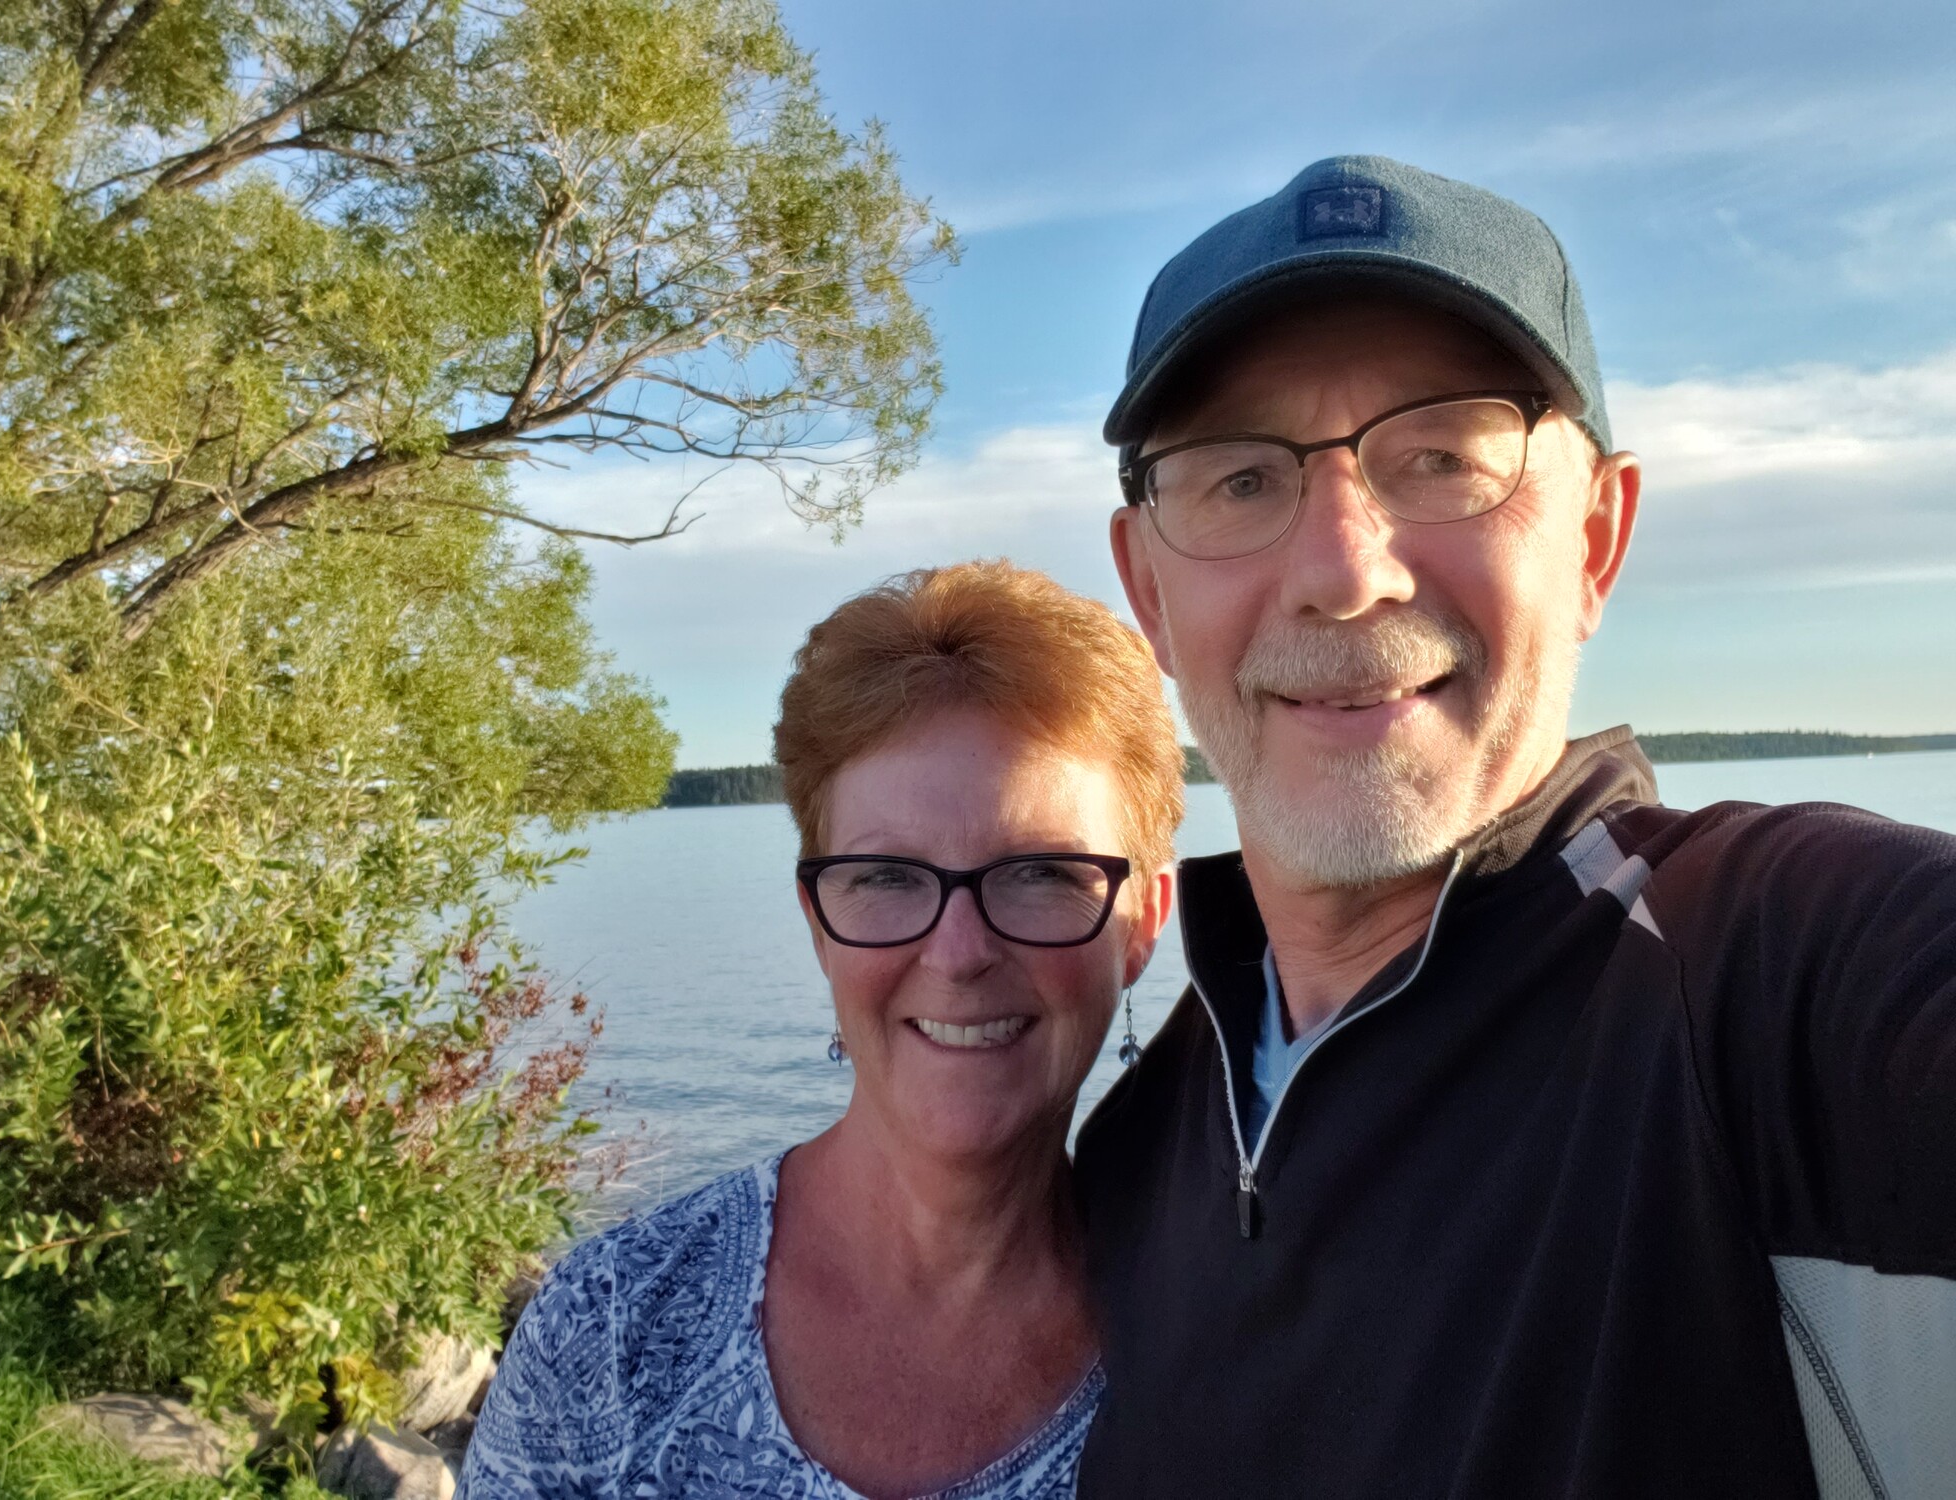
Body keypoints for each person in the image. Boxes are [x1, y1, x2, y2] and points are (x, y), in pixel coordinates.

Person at [1074, 155, 1956, 1498]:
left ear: (1596, 540)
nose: (1343, 571)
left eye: (1441, 456)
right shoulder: (1137, 1146)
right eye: (1241, 481)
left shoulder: (1769, 982)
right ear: (1147, 589)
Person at [461, 560, 1181, 1499]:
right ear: (816, 920)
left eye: (1040, 872)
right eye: (886, 878)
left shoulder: (1213, 1351)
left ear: (1143, 923)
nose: (958, 953)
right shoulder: (614, 1325)